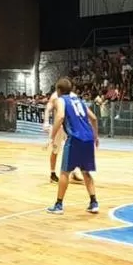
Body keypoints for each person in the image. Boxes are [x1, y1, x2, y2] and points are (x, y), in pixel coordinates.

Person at [46, 78, 99, 215]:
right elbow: (93, 118)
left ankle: (59, 205)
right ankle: (94, 202)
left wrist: (51, 137)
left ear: (58, 90)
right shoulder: (79, 100)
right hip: (88, 138)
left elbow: (60, 117)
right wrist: (96, 136)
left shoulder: (61, 100)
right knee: (86, 171)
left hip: (75, 138)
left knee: (64, 172)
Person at [43, 87, 83, 184]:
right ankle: (52, 173)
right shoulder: (55, 96)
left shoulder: (73, 96)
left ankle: (74, 171)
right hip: (59, 126)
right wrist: (46, 121)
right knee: (55, 150)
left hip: (70, 126)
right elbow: (48, 108)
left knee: (74, 148)